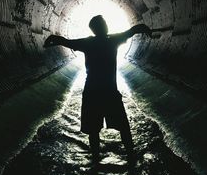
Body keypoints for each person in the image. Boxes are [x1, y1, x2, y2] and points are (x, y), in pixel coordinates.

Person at [43, 15, 151, 162]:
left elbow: (65, 42)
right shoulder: (113, 40)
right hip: (109, 91)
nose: (106, 25)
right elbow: (134, 30)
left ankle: (95, 160)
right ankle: (131, 157)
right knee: (123, 127)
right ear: (100, 27)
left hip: (92, 92)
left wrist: (52, 39)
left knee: (93, 130)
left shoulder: (89, 42)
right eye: (104, 23)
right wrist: (144, 29)